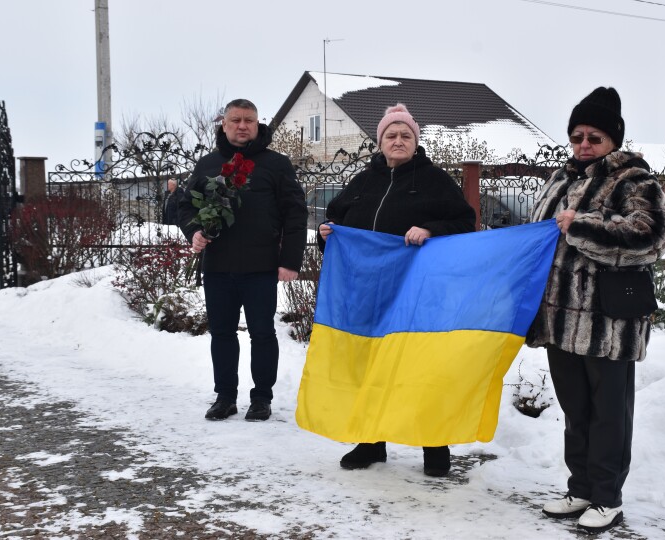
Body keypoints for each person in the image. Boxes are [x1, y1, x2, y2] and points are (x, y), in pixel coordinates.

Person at [526, 87, 665, 534]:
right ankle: (581, 488)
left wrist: (584, 225)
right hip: (560, 319)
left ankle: (607, 497)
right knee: (576, 410)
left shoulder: (635, 180)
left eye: (594, 137)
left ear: (613, 140)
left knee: (610, 412)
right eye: (577, 136)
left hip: (608, 323)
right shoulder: (560, 179)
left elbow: (652, 236)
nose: (584, 144)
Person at [318, 103, 476, 477]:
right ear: (380, 142)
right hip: (368, 293)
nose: (398, 140)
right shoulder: (363, 181)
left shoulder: (435, 180)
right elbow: (335, 220)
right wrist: (326, 234)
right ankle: (372, 442)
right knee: (369, 365)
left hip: (418, 293)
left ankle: (435, 446)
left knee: (420, 367)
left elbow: (465, 223)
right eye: (391, 135)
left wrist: (431, 228)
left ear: (416, 141)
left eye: (406, 135)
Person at [179, 98, 308, 422]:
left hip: (260, 267)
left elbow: (295, 213)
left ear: (257, 123)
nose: (242, 126)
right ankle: (225, 397)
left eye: (248, 120)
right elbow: (185, 206)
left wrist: (290, 260)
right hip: (218, 267)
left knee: (262, 333)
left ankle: (261, 398)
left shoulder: (275, 164)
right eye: (235, 120)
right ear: (224, 124)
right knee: (221, 333)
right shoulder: (208, 164)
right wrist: (194, 231)